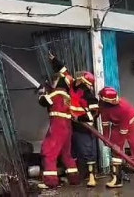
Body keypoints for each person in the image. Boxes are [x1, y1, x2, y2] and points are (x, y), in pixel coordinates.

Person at [48, 53, 99, 187]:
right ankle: (76, 176)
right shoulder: (70, 84)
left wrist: (79, 117)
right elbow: (63, 70)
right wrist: (54, 60)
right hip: (71, 125)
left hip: (83, 127)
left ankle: (91, 177)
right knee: (72, 152)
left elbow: (95, 112)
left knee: (87, 153)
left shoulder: (87, 94)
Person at [98, 86, 134, 190]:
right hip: (116, 125)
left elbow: (123, 131)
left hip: (131, 124)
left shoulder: (124, 108)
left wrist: (117, 146)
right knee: (116, 153)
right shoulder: (103, 106)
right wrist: (106, 139)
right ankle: (117, 180)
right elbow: (105, 123)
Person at [36, 72, 80, 189]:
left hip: (57, 126)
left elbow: (43, 101)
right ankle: (74, 178)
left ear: (56, 81)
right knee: (66, 154)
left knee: (48, 151)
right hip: (67, 127)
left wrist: (42, 92)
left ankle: (50, 181)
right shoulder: (67, 95)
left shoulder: (56, 92)